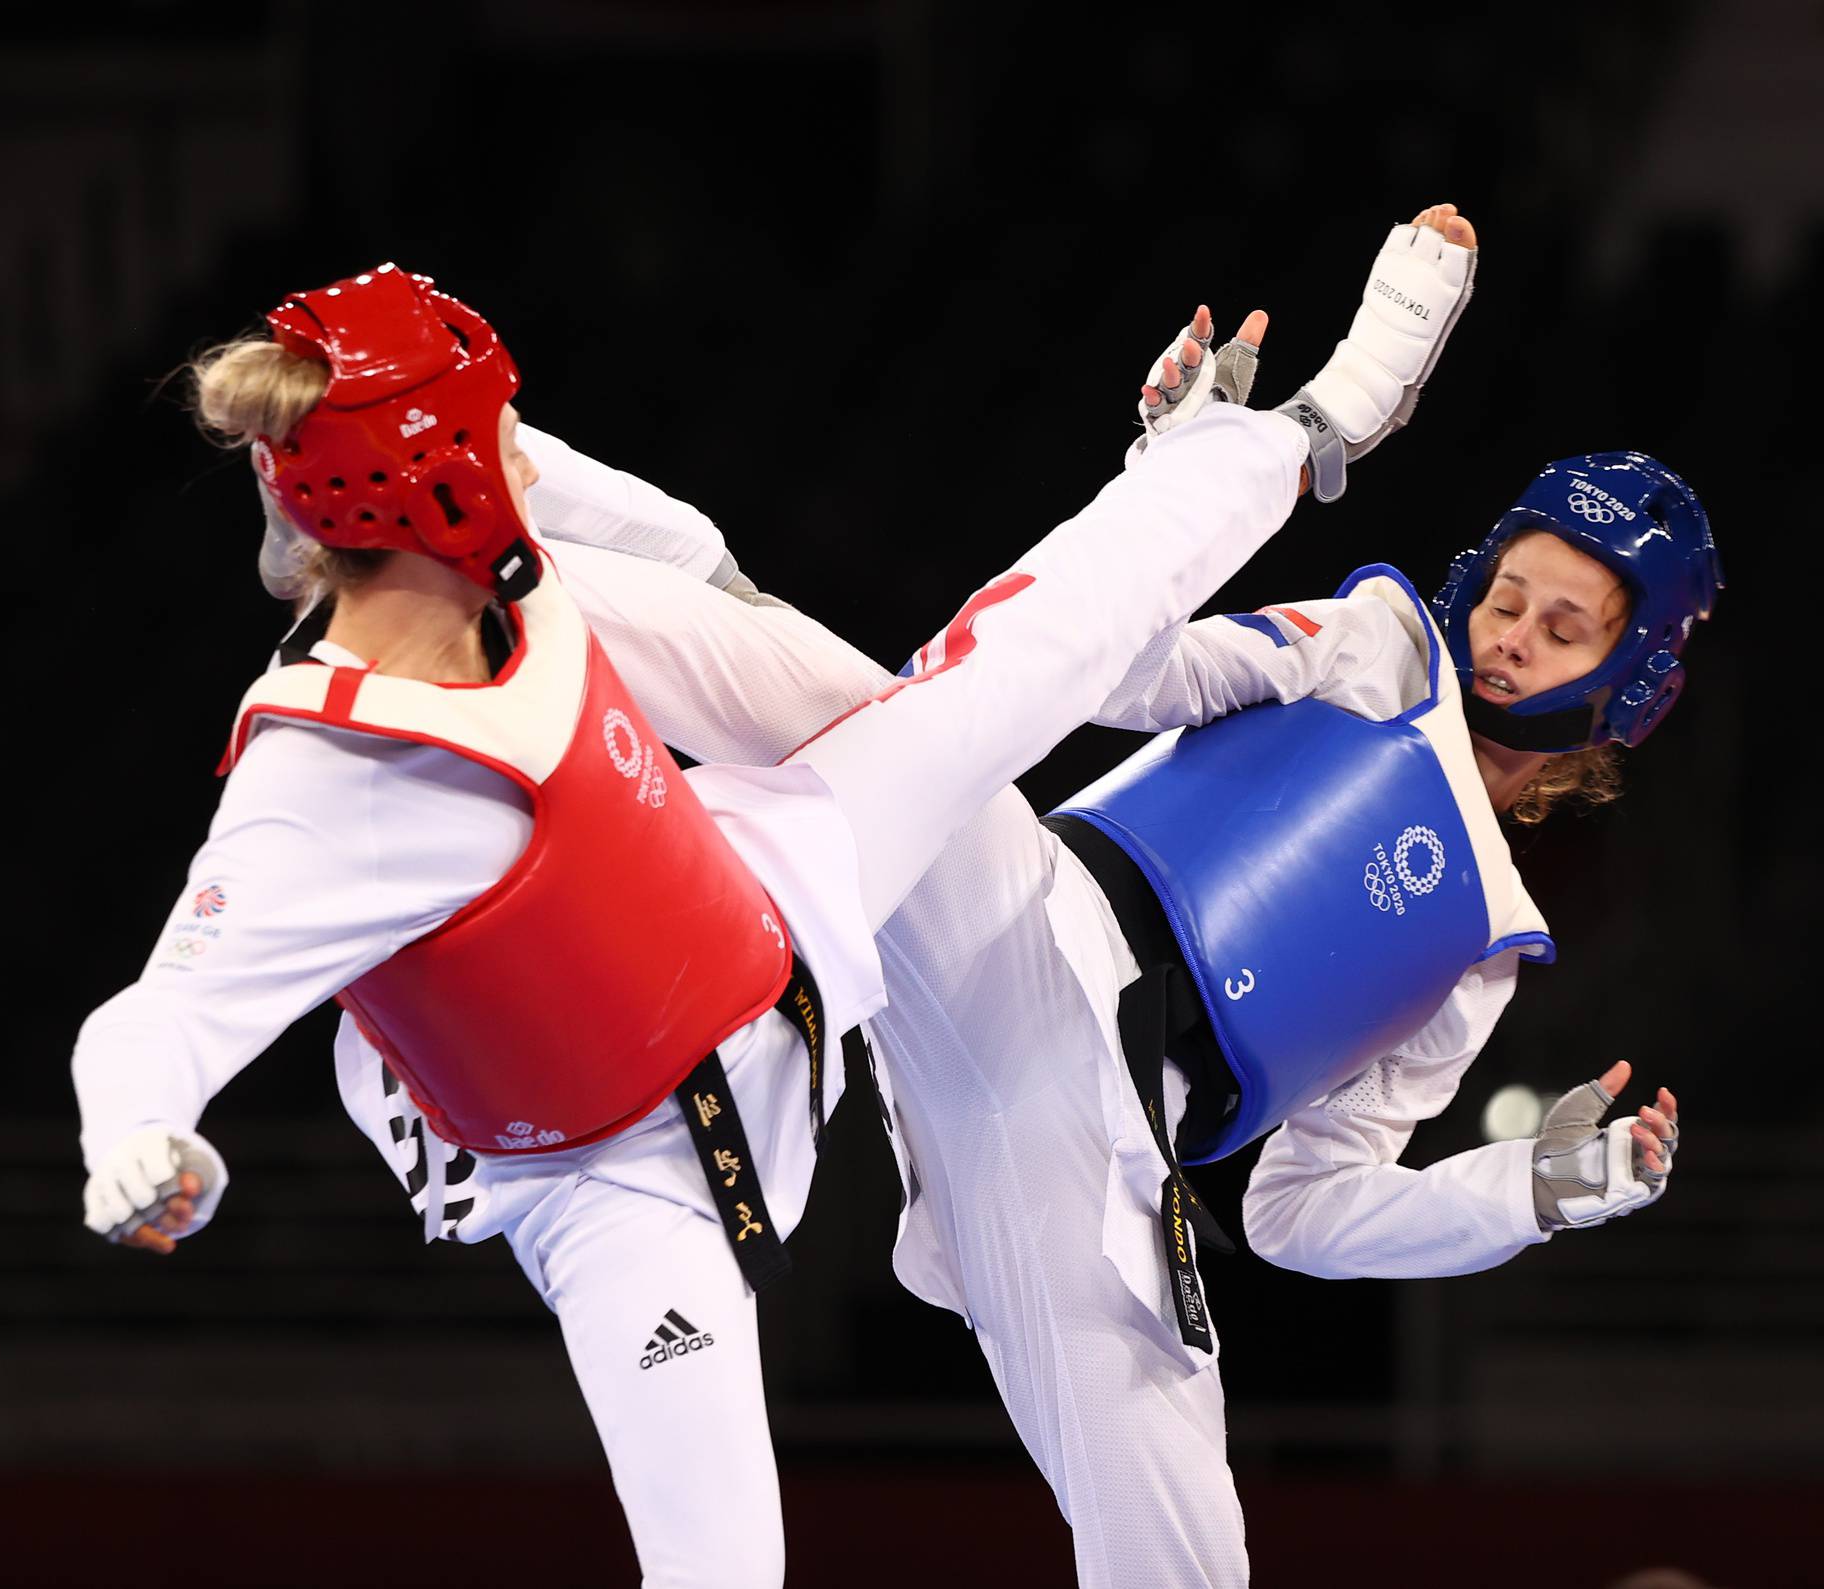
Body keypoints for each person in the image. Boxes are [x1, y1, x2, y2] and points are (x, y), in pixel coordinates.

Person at [71, 219, 1462, 1587]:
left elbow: (647, 527)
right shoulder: (331, 775)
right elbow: (163, 1011)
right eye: (491, 428)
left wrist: (743, 611)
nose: (518, 449)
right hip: (610, 1179)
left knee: (1013, 659)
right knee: (720, 1568)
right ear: (432, 479)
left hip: (766, 892)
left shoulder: (511, 559)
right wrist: (135, 1136)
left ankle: (1309, 426)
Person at [507, 207, 1712, 1585]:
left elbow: (1300, 1215)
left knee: (1185, 1566)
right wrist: (1168, 480)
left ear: (1628, 691)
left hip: (1078, 1169)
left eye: (1563, 627)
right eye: (1510, 595)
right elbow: (1118, 673)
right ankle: (471, 533)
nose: (1510, 636)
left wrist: (1524, 1196)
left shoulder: (1479, 961)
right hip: (1031, 930)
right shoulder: (1378, 651)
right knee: (855, 706)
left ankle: (621, 562)